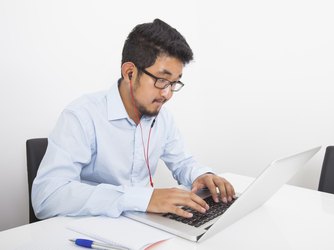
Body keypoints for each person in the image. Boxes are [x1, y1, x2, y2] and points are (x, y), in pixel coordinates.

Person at [32, 19, 235, 220]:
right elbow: (47, 197)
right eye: (162, 80)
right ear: (130, 72)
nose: (167, 94)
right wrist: (142, 199)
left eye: (174, 83)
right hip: (94, 229)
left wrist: (201, 175)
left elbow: (182, 161)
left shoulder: (162, 117)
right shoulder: (82, 115)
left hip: (144, 226)